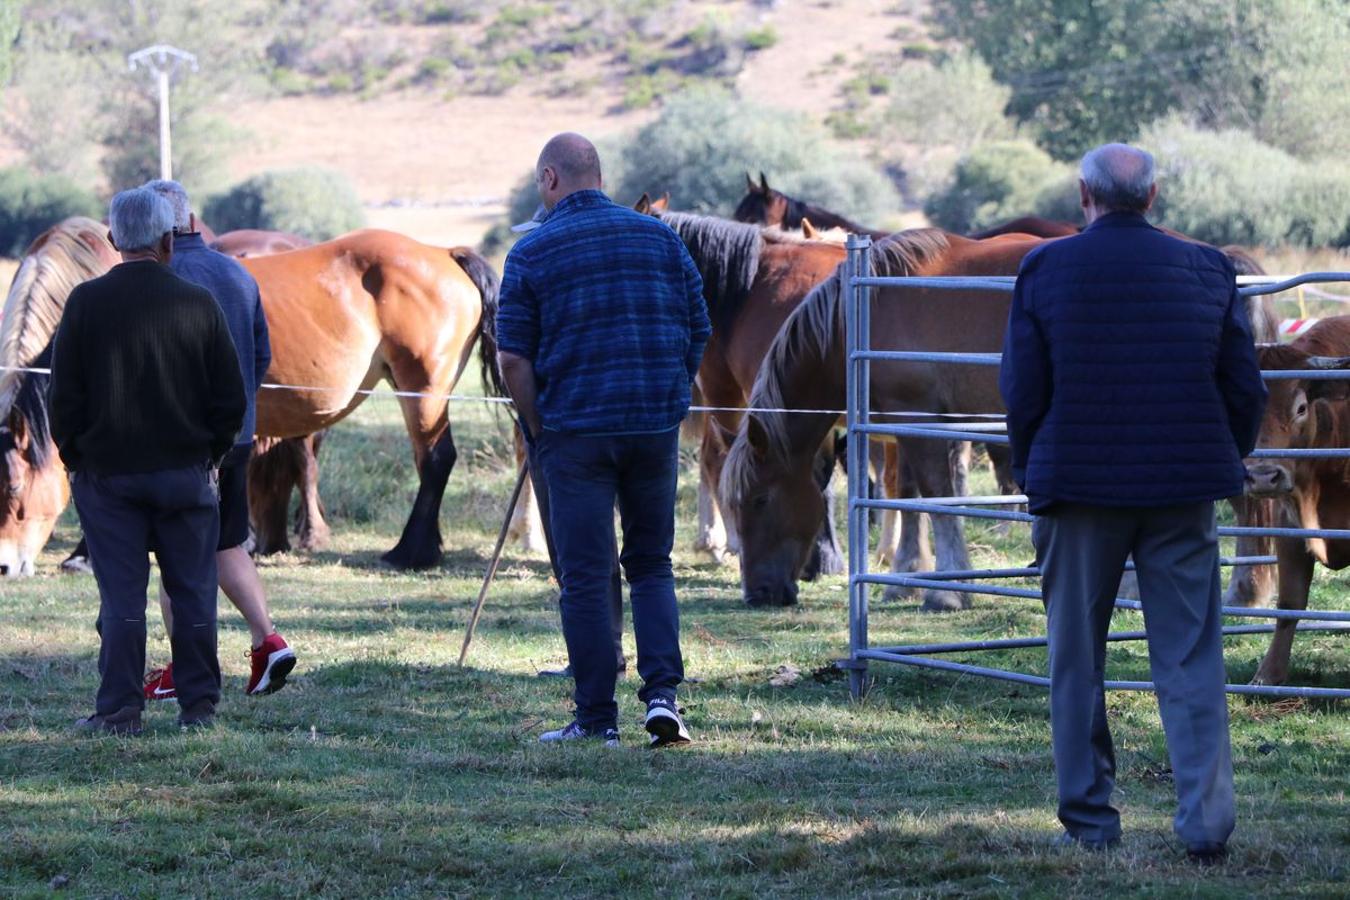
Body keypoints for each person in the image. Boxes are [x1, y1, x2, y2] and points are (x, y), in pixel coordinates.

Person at [999, 143, 1268, 863]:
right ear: (1152, 197)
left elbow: (1023, 389)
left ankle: (1090, 818)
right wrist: (1222, 453)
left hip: (1076, 487)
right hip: (1182, 489)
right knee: (1191, 656)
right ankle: (1205, 825)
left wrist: (1030, 467)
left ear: (1082, 194)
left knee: (1075, 658)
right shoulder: (1208, 269)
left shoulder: (1045, 269)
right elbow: (1244, 388)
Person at [496, 132, 710, 747]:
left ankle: (596, 720)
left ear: (549, 179)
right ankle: (663, 698)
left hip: (575, 433)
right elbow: (698, 326)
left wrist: (538, 426)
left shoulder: (532, 251)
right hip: (652, 427)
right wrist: (670, 393)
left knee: (587, 576)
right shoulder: (661, 239)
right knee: (652, 564)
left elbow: (512, 359)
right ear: (599, 174)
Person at [49, 188, 245, 733]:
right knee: (194, 593)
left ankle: (119, 710)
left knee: (121, 599)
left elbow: (63, 400)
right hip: (186, 475)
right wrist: (210, 456)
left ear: (114, 239)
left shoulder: (85, 303)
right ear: (168, 240)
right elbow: (230, 400)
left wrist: (77, 460)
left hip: (106, 479)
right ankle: (199, 706)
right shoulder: (198, 303)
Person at [140, 179, 296, 699]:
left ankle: (184, 666)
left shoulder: (162, 277)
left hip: (181, 443)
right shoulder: (238, 274)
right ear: (190, 220)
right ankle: (268, 640)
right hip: (238, 435)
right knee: (227, 542)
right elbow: (261, 356)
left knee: (174, 553)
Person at [512, 203, 627, 681]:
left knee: (575, 553)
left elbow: (516, 357)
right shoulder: (601, 272)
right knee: (606, 551)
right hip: (611, 421)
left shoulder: (537, 269)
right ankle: (608, 653)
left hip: (561, 429)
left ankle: (597, 659)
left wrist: (533, 424)